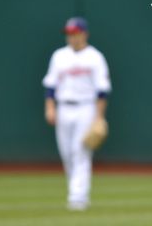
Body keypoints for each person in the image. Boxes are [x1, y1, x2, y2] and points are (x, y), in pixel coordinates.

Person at [42, 17, 112, 211]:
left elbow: (102, 90)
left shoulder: (95, 57)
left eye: (75, 33)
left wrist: (98, 117)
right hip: (63, 107)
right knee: (66, 153)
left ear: (84, 34)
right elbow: (50, 85)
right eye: (69, 33)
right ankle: (77, 192)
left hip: (86, 107)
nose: (72, 37)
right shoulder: (59, 56)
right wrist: (50, 107)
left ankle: (78, 197)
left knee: (79, 151)